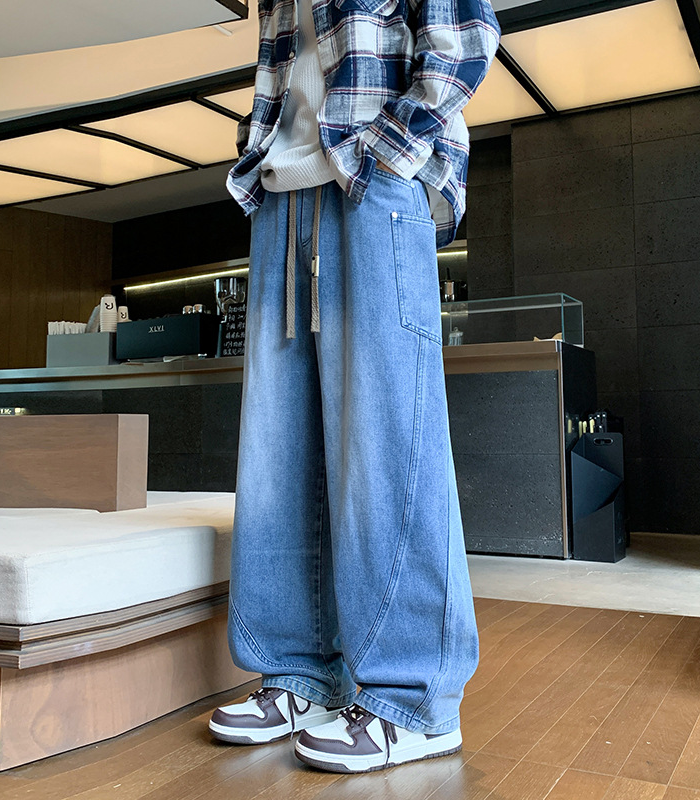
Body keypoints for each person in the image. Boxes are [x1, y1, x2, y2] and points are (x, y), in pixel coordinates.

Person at [208, 0, 500, 774]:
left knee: (387, 441)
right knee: (278, 450)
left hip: (374, 185)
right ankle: (300, 673)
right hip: (283, 194)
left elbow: (465, 41)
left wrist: (389, 152)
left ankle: (416, 696)